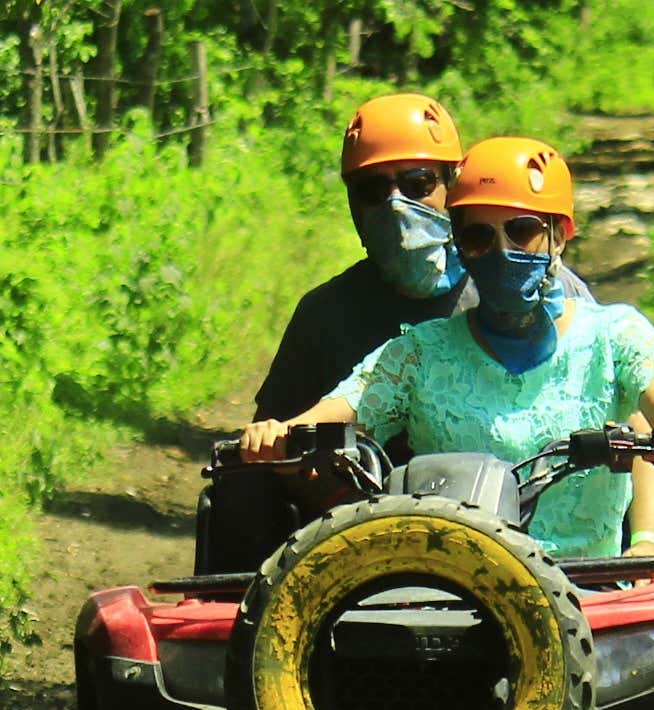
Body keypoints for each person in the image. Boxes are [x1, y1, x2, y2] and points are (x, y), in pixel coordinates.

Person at [240, 137, 654, 559]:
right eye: (479, 236)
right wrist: (283, 435)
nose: (502, 250)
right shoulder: (419, 353)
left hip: (592, 595)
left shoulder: (616, 334)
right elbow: (338, 411)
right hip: (445, 596)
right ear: (459, 246)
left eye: (521, 230)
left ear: (560, 235)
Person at [197, 94, 591, 574]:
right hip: (358, 534)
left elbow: (614, 395)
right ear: (352, 203)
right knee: (242, 485)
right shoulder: (326, 313)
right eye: (372, 189)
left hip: (529, 520)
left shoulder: (537, 288)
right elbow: (278, 444)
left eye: (418, 183)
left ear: (453, 187)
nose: (396, 204)